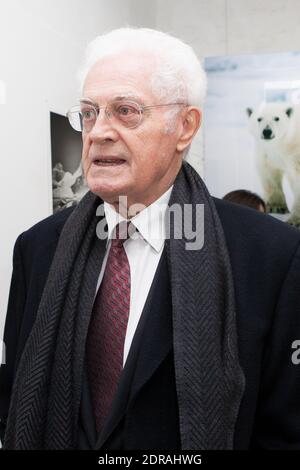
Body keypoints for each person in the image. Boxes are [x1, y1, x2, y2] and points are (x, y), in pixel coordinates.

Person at [1, 28, 300, 451]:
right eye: (89, 112)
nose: (98, 132)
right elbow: (15, 393)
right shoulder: (37, 248)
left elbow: (284, 430)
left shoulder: (269, 256)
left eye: (125, 111)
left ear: (184, 126)